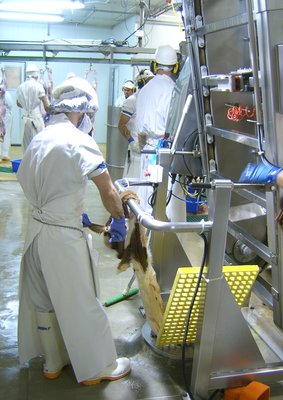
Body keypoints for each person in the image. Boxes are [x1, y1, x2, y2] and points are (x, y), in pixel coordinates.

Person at [16, 76, 131, 385]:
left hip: (35, 232)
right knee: (83, 302)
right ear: (80, 110)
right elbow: (109, 194)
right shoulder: (80, 141)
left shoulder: (40, 137)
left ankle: (52, 362)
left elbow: (29, 180)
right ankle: (98, 368)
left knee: (43, 300)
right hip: (62, 238)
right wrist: (119, 219)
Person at [135, 44, 178, 212]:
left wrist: (144, 148)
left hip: (147, 151)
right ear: (175, 67)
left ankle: (145, 236)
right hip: (165, 153)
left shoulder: (145, 90)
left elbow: (140, 132)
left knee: (146, 200)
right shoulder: (173, 91)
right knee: (163, 203)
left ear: (154, 65)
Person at [118, 69, 154, 178]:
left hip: (150, 148)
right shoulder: (132, 101)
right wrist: (132, 142)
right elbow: (121, 125)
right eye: (149, 81)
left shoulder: (152, 99)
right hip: (136, 148)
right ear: (142, 82)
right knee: (134, 179)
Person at [16, 63, 50, 151]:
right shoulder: (39, 86)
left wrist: (27, 105)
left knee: (26, 148)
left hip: (25, 120)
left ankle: (26, 164)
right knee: (38, 146)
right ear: (36, 75)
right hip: (36, 119)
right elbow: (46, 106)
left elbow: (18, 104)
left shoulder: (20, 87)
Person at [0, 78, 13, 161]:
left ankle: (4, 154)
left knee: (5, 135)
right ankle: (4, 154)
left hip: (5, 115)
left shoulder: (6, 94)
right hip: (5, 115)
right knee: (6, 134)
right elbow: (10, 104)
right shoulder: (6, 94)